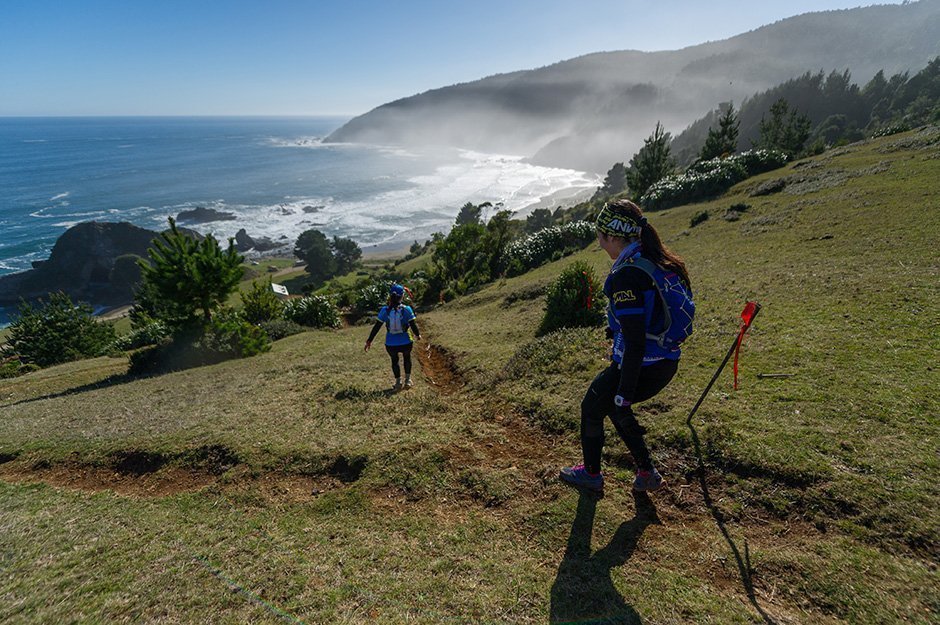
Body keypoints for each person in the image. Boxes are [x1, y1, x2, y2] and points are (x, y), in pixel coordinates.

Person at [560, 199, 692, 493]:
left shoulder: (626, 276)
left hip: (644, 364)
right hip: (666, 360)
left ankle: (591, 476)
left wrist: (625, 390)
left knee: (593, 406)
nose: (599, 243)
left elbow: (634, 342)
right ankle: (647, 473)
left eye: (600, 236)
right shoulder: (655, 258)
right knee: (616, 408)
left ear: (613, 237)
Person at [365, 283, 421, 391]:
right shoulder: (407, 309)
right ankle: (408, 380)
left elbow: (376, 327)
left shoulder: (384, 311)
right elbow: (413, 325)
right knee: (407, 358)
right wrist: (418, 335)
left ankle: (398, 382)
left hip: (391, 344)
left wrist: (369, 341)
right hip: (406, 342)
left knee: (394, 361)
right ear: (402, 296)